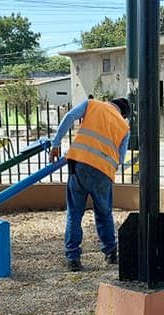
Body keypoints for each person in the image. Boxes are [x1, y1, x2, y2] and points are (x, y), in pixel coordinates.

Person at [49, 97, 130, 272]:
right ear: (123, 114)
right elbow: (121, 158)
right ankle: (110, 252)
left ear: (111, 103)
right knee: (104, 213)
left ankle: (73, 258)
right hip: (103, 172)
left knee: (74, 213)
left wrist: (56, 144)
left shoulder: (92, 105)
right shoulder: (124, 127)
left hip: (79, 165)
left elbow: (69, 117)